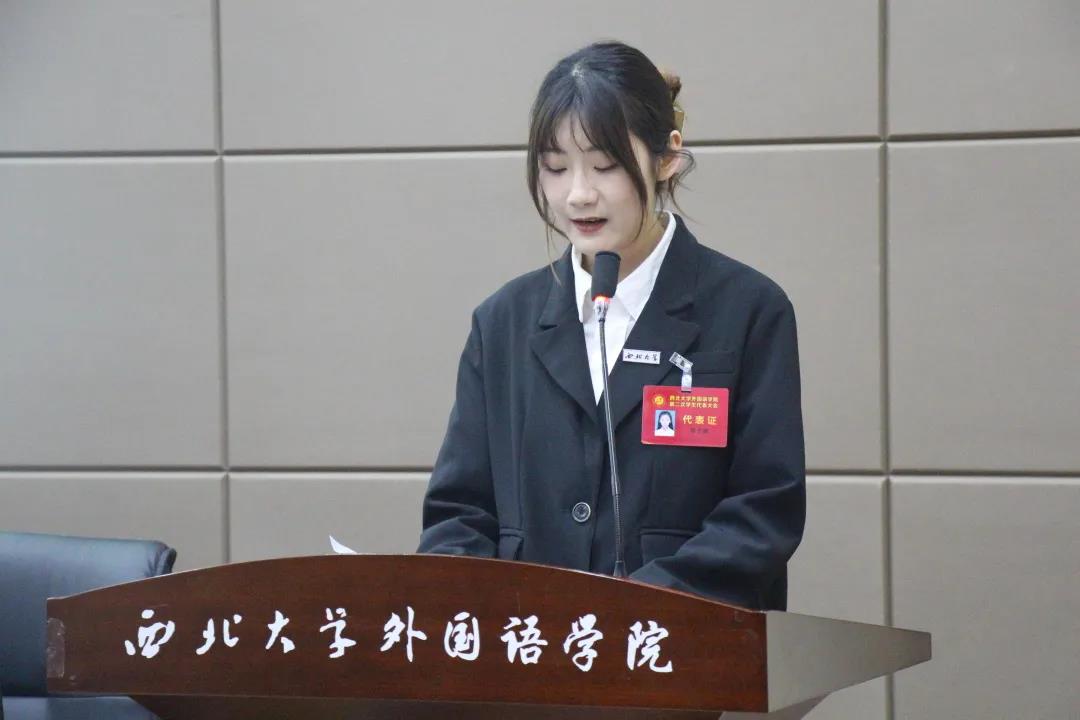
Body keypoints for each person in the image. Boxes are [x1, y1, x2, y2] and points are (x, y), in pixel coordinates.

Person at [417, 40, 805, 610]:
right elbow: (459, 513)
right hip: (529, 648)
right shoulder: (502, 322)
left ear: (667, 157)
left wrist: (635, 610)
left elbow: (763, 512)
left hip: (683, 644)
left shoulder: (747, 310)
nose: (578, 194)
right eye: (555, 168)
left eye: (605, 166)